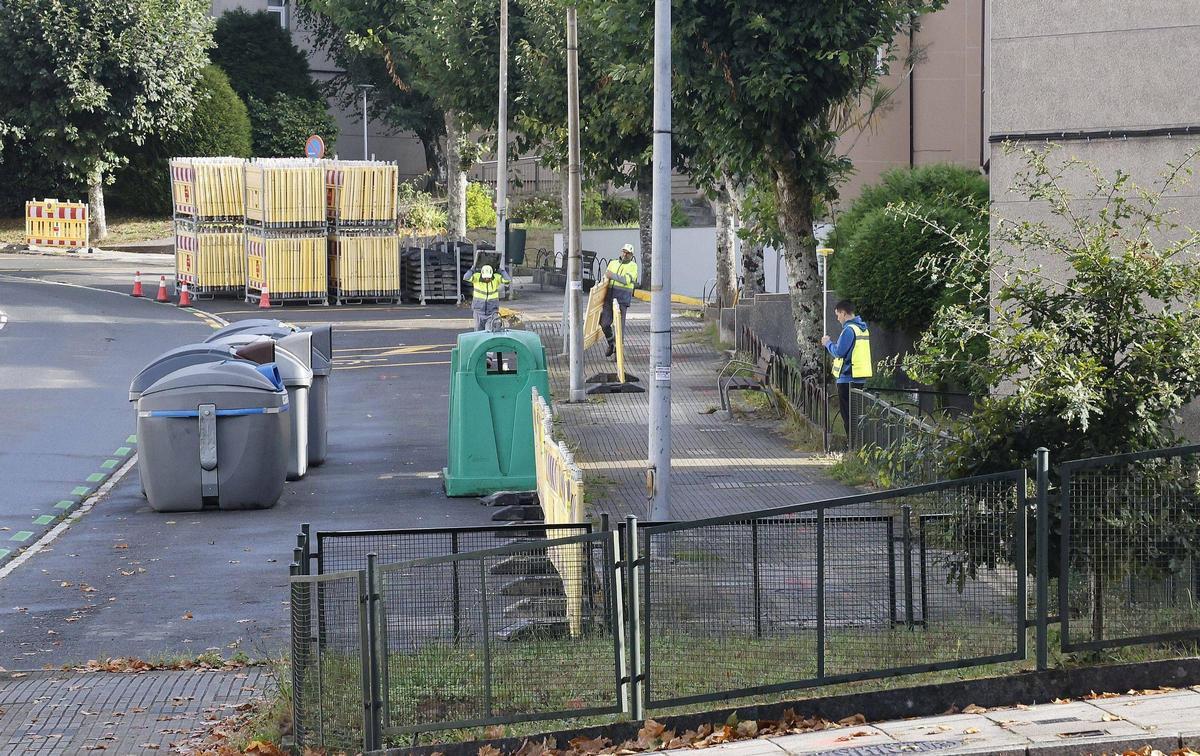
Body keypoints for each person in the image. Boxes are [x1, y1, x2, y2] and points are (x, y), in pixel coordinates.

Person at [821, 300, 873, 441]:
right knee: (857, 415)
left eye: (838, 315)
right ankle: (859, 443)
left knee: (848, 415)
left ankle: (852, 444)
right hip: (859, 377)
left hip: (847, 378)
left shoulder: (849, 330)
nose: (837, 318)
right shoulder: (862, 329)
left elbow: (839, 352)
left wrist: (827, 343)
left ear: (843, 313)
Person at [600, 243, 639, 357]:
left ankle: (618, 354)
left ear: (632, 255)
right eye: (624, 252)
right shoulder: (613, 263)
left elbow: (626, 280)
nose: (625, 254)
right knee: (604, 323)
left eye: (628, 253)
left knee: (619, 328)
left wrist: (611, 275)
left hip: (622, 299)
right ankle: (611, 344)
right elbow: (605, 277)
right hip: (609, 297)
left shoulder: (633, 266)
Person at [463, 262, 511, 331]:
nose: (487, 279)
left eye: (488, 277)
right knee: (478, 332)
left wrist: (501, 271)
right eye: (485, 277)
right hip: (478, 312)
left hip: (491, 312)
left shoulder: (496, 278)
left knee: (489, 332)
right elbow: (466, 277)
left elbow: (507, 280)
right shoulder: (476, 277)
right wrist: (472, 269)